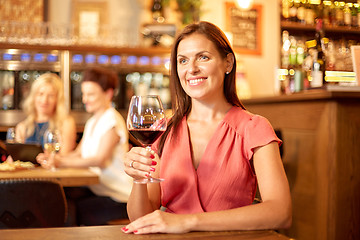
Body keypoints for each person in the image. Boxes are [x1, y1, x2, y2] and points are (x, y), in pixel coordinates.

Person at [122, 21, 292, 234]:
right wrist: (138, 179)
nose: (192, 69)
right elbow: (142, 219)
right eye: (183, 60)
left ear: (228, 63)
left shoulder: (254, 127)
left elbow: (281, 212)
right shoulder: (163, 130)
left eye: (203, 57)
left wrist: (187, 222)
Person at [37, 67, 132, 226]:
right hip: (99, 190)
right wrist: (53, 158)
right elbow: (78, 154)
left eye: (91, 94)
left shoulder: (112, 121)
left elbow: (99, 160)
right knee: (60, 200)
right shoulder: (93, 121)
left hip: (119, 198)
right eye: (84, 94)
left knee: (67, 208)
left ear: (108, 93)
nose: (84, 99)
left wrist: (60, 162)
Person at [15, 73, 76, 154]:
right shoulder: (22, 127)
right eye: (40, 94)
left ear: (57, 99)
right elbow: (15, 160)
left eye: (51, 96)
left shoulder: (66, 123)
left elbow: (65, 158)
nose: (44, 100)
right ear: (34, 96)